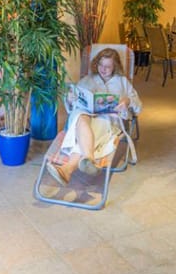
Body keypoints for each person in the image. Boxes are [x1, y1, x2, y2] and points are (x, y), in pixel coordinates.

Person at [46, 48, 142, 185]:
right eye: (100, 65)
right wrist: (70, 99)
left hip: (107, 119)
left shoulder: (123, 82)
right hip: (83, 115)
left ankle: (67, 169)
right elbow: (72, 104)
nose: (103, 69)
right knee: (81, 117)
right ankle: (89, 159)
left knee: (92, 128)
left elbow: (138, 106)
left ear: (115, 66)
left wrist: (127, 101)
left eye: (108, 66)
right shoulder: (88, 80)